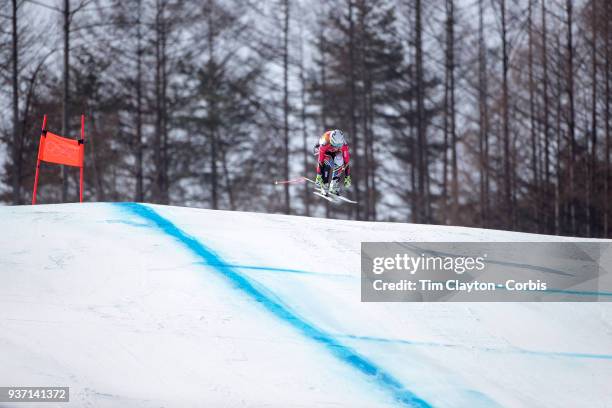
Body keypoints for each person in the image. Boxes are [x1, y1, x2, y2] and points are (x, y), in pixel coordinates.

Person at [314, 129, 351, 195]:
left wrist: (347, 177)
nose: (336, 147)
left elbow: (346, 161)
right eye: (335, 145)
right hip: (322, 149)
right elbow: (320, 161)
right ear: (331, 140)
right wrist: (318, 175)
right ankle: (324, 184)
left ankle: (334, 185)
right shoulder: (325, 141)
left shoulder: (344, 145)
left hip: (333, 152)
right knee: (327, 161)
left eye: (339, 145)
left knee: (340, 160)